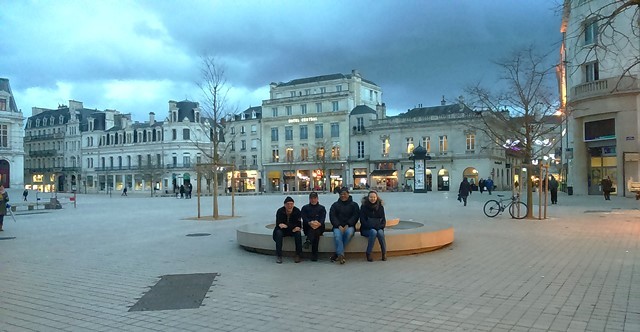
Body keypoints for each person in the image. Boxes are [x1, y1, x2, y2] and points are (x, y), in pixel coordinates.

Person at [329, 187, 359, 264]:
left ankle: (337, 254)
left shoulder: (354, 205)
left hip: (349, 226)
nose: (343, 195)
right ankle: (341, 255)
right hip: (337, 226)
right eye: (341, 194)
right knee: (338, 236)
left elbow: (355, 216)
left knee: (348, 233)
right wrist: (338, 225)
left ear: (348, 194)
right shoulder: (335, 205)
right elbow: (332, 216)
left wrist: (348, 224)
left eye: (345, 194)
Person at [273, 196, 303, 264]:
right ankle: (279, 255)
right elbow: (279, 224)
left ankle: (298, 255)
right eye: (288, 204)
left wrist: (287, 226)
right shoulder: (280, 211)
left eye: (291, 204)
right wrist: (292, 227)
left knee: (298, 233)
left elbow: (299, 225)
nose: (290, 206)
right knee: (278, 233)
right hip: (283, 231)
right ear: (285, 205)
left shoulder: (297, 211)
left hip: (293, 231)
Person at [359, 191, 387, 262]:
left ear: (377, 198)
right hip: (366, 229)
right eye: (371, 197)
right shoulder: (363, 207)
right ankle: (369, 252)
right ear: (368, 198)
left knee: (380, 233)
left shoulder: (380, 207)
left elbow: (383, 220)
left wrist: (380, 226)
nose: (373, 199)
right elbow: (362, 221)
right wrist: (371, 226)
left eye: (374, 197)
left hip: (378, 228)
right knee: (373, 232)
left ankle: (384, 253)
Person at [301, 192, 326, 262]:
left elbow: (322, 218)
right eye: (311, 198)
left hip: (319, 227)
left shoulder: (322, 208)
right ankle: (314, 254)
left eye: (314, 198)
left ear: (317, 199)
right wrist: (310, 223)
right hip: (308, 227)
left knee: (316, 231)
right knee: (315, 232)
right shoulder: (305, 208)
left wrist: (318, 224)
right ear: (309, 199)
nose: (313, 200)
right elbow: (304, 218)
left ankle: (308, 241)